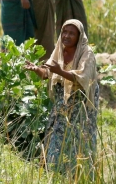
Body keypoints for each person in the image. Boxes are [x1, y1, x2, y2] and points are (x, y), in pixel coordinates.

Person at [25, 19, 98, 174]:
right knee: (56, 134)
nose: (66, 36)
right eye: (64, 32)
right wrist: (37, 69)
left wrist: (60, 72)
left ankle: (78, 175)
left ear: (79, 36)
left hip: (80, 105)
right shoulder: (59, 50)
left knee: (78, 138)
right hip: (61, 105)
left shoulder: (87, 53)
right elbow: (48, 73)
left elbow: (83, 78)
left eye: (72, 33)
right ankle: (54, 172)